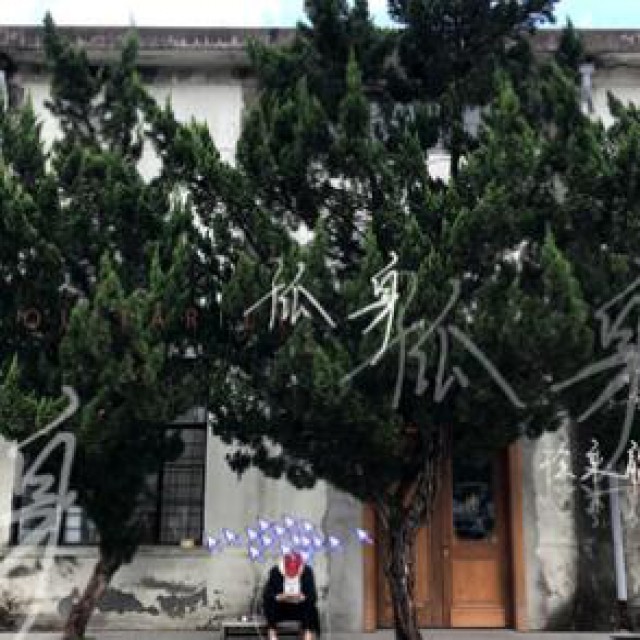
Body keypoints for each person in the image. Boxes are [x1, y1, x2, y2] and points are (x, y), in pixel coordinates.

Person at [262, 550, 321, 640]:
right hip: (281, 609)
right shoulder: (275, 571)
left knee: (311, 608)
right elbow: (267, 595)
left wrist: (303, 597)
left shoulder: (307, 571)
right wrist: (279, 597)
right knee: (269, 604)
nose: (292, 574)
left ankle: (307, 634)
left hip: (299, 609)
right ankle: (272, 633)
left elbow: (313, 596)